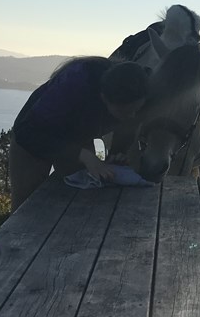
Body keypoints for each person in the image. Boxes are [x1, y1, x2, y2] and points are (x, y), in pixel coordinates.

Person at [9, 57, 149, 210]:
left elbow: (113, 134)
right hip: (33, 138)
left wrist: (115, 157)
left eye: (136, 110)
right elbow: (26, 132)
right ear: (104, 98)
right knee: (24, 206)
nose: (132, 116)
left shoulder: (133, 87)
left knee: (72, 199)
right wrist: (83, 155)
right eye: (124, 112)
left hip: (75, 137)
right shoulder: (73, 85)